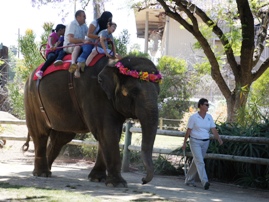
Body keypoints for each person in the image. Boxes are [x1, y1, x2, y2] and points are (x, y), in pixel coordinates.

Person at [182, 98, 223, 190]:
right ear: (200, 106)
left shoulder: (209, 117)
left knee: (196, 161)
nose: (208, 106)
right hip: (195, 141)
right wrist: (184, 143)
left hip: (205, 142)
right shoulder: (193, 117)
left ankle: (189, 180)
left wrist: (219, 138)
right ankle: (205, 182)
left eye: (208, 105)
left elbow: (213, 129)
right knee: (200, 161)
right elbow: (188, 130)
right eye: (206, 104)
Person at [70, 11, 113, 78]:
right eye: (109, 19)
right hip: (89, 42)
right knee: (87, 50)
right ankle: (77, 69)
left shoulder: (106, 27)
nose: (110, 21)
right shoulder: (95, 23)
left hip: (99, 45)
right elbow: (89, 34)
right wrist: (99, 37)